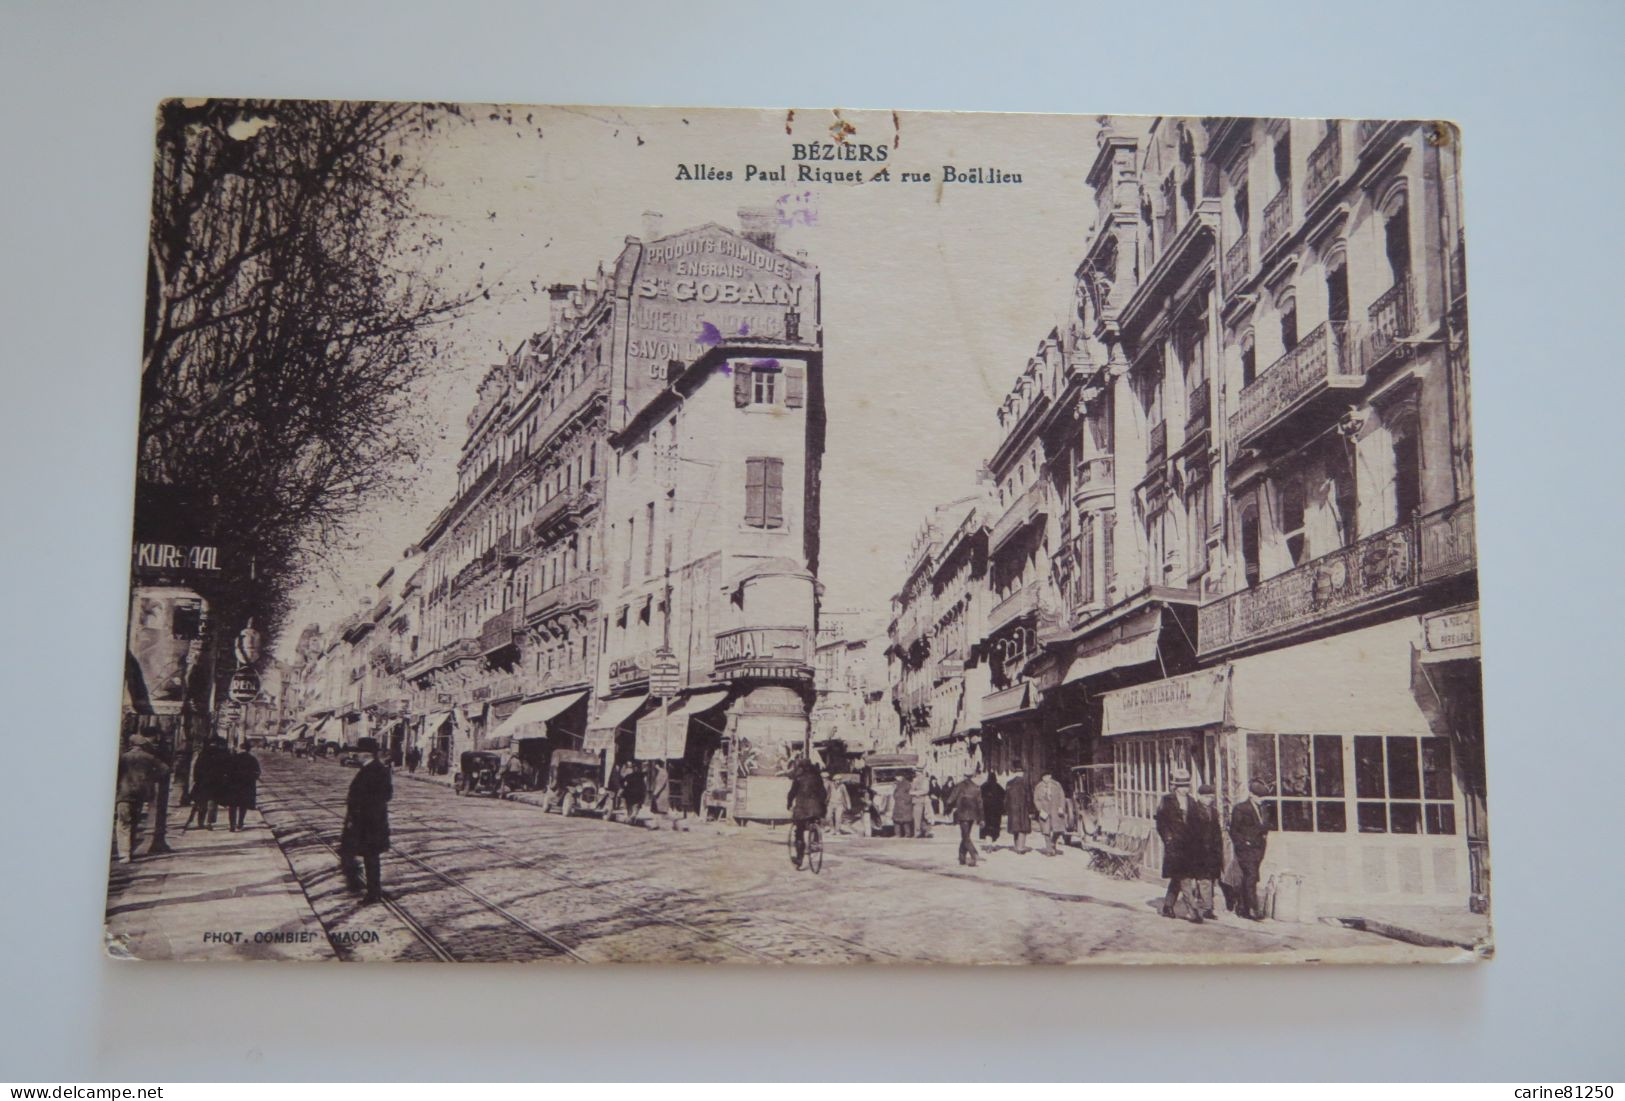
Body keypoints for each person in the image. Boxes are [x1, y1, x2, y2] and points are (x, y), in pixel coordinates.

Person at [340, 737, 392, 904]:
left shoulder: (372, 770)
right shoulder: (378, 769)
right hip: (370, 822)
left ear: (366, 754)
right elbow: (387, 795)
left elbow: (378, 796)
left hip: (366, 823)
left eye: (358, 752)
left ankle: (370, 891)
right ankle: (366, 887)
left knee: (367, 857)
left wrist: (358, 814)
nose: (355, 755)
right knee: (368, 857)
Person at [1155, 769, 1200, 922]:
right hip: (1174, 846)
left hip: (1189, 847)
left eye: (1186, 786)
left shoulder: (1192, 801)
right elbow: (1160, 823)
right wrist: (1168, 838)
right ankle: (1192, 910)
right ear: (1175, 787)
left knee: (1178, 877)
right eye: (1181, 786)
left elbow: (1195, 824)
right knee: (1185, 878)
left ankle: (1168, 906)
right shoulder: (1167, 801)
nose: (1184, 789)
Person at [113, 734, 167, 863]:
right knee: (134, 821)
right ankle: (130, 850)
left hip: (124, 793)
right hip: (140, 794)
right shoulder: (149, 757)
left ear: (131, 745)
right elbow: (165, 769)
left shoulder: (123, 758)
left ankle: (124, 853)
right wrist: (151, 779)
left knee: (123, 822)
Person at [1229, 779, 1272, 921]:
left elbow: (1264, 825)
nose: (1261, 800)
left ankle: (1242, 907)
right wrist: (1243, 844)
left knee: (1250, 878)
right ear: (1252, 795)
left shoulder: (1263, 808)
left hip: (1259, 850)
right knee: (1251, 877)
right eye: (1259, 797)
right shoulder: (1241, 808)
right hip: (1246, 850)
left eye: (1263, 797)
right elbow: (1234, 831)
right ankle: (1253, 909)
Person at [1185, 783, 1223, 920]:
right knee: (1194, 880)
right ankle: (1192, 906)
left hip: (1210, 851)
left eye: (1211, 797)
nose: (1209, 799)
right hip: (1197, 850)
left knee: (1207, 879)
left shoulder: (1213, 811)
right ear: (1200, 796)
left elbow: (1217, 831)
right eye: (1207, 797)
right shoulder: (1193, 810)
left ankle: (1207, 908)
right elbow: (1190, 832)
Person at [786, 758, 828, 868]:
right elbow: (823, 793)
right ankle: (815, 839)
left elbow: (792, 793)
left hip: (802, 810)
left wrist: (789, 803)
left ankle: (799, 859)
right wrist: (822, 806)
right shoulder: (817, 778)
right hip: (817, 809)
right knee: (814, 821)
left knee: (799, 832)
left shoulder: (798, 778)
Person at [185, 736, 230, 830]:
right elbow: (226, 769)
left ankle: (200, 822)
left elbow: (196, 769)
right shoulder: (222, 754)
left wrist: (196, 780)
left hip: (203, 782)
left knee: (202, 803)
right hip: (216, 782)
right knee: (212, 804)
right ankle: (209, 822)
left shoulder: (203, 754)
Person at [222, 742, 261, 832]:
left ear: (240, 748)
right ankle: (240, 824)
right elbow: (257, 773)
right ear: (249, 749)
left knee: (232, 806)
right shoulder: (252, 759)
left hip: (233, 786)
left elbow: (227, 772)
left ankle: (232, 825)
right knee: (243, 806)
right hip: (246, 786)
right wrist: (251, 779)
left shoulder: (233, 758)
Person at [949, 771, 985, 866]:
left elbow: (951, 799)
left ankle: (974, 854)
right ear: (973, 776)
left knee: (965, 837)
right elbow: (980, 804)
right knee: (966, 835)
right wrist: (981, 818)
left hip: (962, 813)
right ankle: (962, 858)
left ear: (964, 776)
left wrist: (948, 808)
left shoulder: (959, 786)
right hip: (973, 814)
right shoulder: (976, 787)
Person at [1033, 769, 1067, 856]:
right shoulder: (1038, 787)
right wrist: (1040, 809)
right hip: (1044, 810)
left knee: (1058, 829)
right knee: (1046, 830)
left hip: (1055, 809)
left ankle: (1053, 842)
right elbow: (1036, 799)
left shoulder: (1057, 785)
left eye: (1047, 776)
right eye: (1043, 777)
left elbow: (1062, 797)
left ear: (1050, 776)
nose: (1045, 778)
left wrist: (1061, 807)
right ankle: (1049, 850)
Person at [1005, 767, 1035, 854]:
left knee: (1015, 828)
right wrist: (1031, 811)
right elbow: (1029, 798)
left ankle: (1016, 845)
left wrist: (1007, 810)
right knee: (1023, 828)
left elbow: (1006, 799)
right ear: (1022, 773)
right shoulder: (1026, 784)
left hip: (1012, 810)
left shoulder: (1009, 783)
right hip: (1023, 809)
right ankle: (1021, 847)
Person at [979, 771, 1005, 848]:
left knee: (986, 827)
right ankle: (991, 841)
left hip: (985, 810)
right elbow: (1003, 796)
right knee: (994, 827)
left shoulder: (983, 786)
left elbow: (979, 797)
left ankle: (988, 843)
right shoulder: (998, 787)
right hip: (996, 812)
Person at [890, 773, 914, 838]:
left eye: (897, 776)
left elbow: (910, 793)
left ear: (901, 776)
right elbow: (895, 793)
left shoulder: (907, 783)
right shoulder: (897, 784)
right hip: (898, 804)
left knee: (906, 820)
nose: (896, 778)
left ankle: (907, 834)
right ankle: (897, 834)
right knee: (896, 820)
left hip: (904, 805)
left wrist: (906, 801)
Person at [910, 769, 932, 839]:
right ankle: (925, 832)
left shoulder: (925, 780)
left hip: (921, 800)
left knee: (919, 817)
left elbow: (925, 790)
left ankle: (918, 832)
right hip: (916, 800)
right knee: (920, 817)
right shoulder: (915, 780)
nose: (916, 773)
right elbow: (911, 790)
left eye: (917, 772)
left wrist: (915, 793)